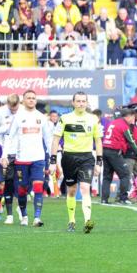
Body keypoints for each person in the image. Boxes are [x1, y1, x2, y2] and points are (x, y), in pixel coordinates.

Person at [49, 92, 102, 233]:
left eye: (83, 101)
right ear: (73, 103)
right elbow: (55, 139)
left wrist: (99, 162)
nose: (81, 104)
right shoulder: (65, 119)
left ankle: (87, 221)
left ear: (87, 103)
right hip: (69, 158)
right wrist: (53, 161)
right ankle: (71, 220)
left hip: (86, 158)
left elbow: (98, 140)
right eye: (78, 101)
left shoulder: (93, 119)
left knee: (85, 188)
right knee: (71, 190)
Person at [2, 90, 52, 227]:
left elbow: (48, 139)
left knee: (38, 187)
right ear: (23, 100)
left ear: (36, 100)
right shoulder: (18, 117)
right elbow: (9, 137)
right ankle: (24, 216)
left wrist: (53, 159)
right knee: (22, 189)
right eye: (28, 98)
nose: (31, 100)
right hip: (22, 159)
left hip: (38, 158)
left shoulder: (41, 117)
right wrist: (4, 155)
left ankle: (37, 218)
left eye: (33, 98)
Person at [101, 108, 137, 204]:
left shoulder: (112, 123)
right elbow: (131, 141)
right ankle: (123, 198)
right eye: (132, 117)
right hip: (114, 151)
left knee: (107, 176)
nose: (133, 119)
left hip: (105, 150)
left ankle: (104, 199)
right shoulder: (124, 125)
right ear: (128, 116)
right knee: (125, 174)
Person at [0, 94, 20, 225]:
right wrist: (7, 129)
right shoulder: (0, 112)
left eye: (16, 108)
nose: (14, 111)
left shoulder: (24, 111)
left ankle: (21, 208)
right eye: (11, 108)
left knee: (22, 183)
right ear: (7, 104)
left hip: (21, 152)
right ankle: (3, 211)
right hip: (6, 152)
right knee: (5, 183)